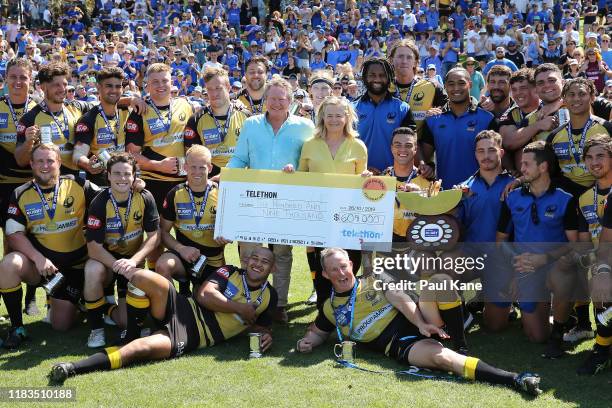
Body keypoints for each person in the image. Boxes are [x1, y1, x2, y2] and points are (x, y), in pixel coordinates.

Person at [296, 248, 543, 397]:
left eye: (343, 267)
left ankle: (460, 342)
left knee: (439, 280)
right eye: (334, 270)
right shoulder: (329, 307)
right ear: (326, 274)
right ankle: (516, 379)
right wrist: (307, 342)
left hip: (420, 320)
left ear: (351, 265)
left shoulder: (373, 279)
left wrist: (421, 324)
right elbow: (318, 332)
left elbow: (400, 297)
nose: (341, 274)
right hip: (400, 344)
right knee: (443, 360)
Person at [49, 247, 278, 383]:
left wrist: (266, 335)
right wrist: (239, 308)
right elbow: (204, 295)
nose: (258, 264)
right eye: (255, 259)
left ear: (273, 269)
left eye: (265, 262)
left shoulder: (271, 296)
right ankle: (131, 331)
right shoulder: (229, 272)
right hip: (183, 307)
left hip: (193, 336)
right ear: (246, 261)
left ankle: (72, 367)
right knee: (145, 278)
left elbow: (261, 327)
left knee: (140, 350)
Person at [228, 76, 314, 323]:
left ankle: (279, 305)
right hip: (254, 199)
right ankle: (248, 301)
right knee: (249, 252)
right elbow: (239, 159)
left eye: (282, 98)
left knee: (282, 254)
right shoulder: (251, 124)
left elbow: (310, 163)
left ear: (291, 101)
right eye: (272, 98)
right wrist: (224, 177)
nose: (276, 103)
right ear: (265, 100)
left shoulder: (305, 127)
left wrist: (297, 170)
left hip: (287, 201)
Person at [0, 144, 100, 348]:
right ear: (31, 164)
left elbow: (111, 197)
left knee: (61, 325)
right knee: (9, 263)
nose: (45, 166)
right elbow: (13, 234)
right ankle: (17, 327)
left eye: (50, 161)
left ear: (59, 163)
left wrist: (136, 184)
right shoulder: (20, 193)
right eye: (40, 161)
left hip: (75, 266)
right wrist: (37, 258)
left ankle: (76, 300)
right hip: (42, 268)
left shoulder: (78, 184)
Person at [495, 141, 578, 344]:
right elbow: (500, 241)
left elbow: (574, 243)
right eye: (521, 164)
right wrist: (518, 263)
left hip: (554, 264)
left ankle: (561, 321)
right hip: (525, 267)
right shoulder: (512, 197)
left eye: (526, 164)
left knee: (564, 274)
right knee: (537, 337)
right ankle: (550, 314)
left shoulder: (565, 198)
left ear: (543, 167)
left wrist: (545, 258)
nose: (521, 169)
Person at [83, 152, 160, 348]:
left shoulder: (145, 197)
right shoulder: (99, 202)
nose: (122, 178)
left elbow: (154, 237)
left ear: (135, 176)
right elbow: (93, 248)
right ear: (108, 175)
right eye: (117, 173)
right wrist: (118, 266)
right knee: (92, 269)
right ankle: (96, 330)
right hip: (107, 263)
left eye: (127, 174)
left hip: (132, 262)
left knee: (127, 322)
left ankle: (107, 308)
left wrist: (133, 262)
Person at [297, 96, 367, 309]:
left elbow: (363, 187)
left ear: (347, 117)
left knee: (348, 267)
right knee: (324, 269)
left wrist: (366, 178)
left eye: (339, 115)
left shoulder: (358, 146)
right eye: (330, 115)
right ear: (322, 118)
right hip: (320, 218)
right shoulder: (310, 145)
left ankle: (349, 313)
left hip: (348, 219)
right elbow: (301, 179)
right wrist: (290, 174)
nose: (334, 120)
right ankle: (323, 314)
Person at [156, 145, 229, 296]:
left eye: (201, 167)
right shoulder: (175, 194)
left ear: (209, 168)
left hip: (213, 261)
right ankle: (174, 307)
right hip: (183, 257)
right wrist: (181, 249)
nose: (197, 172)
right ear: (185, 167)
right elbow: (163, 232)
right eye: (193, 167)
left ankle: (191, 291)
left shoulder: (222, 192)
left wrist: (227, 235)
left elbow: (232, 228)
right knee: (163, 265)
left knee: (203, 297)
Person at [0, 58, 39, 314]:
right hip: (3, 184)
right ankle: (7, 292)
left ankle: (31, 298)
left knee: (33, 238)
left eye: (23, 77)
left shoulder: (39, 108)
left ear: (31, 80)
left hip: (30, 184)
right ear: (5, 80)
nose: (18, 82)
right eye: (13, 77)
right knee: (8, 241)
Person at [421, 67, 495, 190]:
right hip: (445, 193)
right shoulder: (433, 120)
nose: (456, 88)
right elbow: (424, 156)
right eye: (451, 84)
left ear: (470, 84)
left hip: (479, 193)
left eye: (461, 83)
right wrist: (427, 166)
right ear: (445, 87)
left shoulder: (486, 118)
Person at [574, 135, 612, 374]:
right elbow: (597, 245)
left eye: (601, 156)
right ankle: (601, 347)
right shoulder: (585, 198)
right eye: (589, 157)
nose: (595, 162)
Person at [546, 78, 612, 197]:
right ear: (564, 100)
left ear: (592, 97)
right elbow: (551, 172)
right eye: (571, 94)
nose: (576, 98)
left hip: (603, 194)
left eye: (582, 94)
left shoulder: (608, 129)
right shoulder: (554, 136)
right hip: (566, 196)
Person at [183, 67, 250, 177]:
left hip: (239, 179)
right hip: (209, 182)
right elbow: (191, 157)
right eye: (210, 89)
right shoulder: (195, 120)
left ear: (228, 87)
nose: (214, 93)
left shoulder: (246, 116)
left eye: (218, 88)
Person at [353, 57, 415, 174]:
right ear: (365, 77)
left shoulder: (402, 108)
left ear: (389, 78)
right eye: (372, 75)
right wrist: (363, 168)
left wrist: (390, 171)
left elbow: (409, 146)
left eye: (382, 75)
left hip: (393, 178)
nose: (377, 79)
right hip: (359, 176)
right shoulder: (351, 108)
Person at [73, 67, 131, 186]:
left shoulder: (128, 112)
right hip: (101, 185)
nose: (114, 90)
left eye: (118, 86)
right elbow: (77, 155)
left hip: (126, 182)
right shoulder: (88, 119)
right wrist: (87, 164)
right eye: (109, 86)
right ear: (99, 88)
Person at [389, 40, 447, 143]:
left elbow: (452, 111)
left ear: (416, 62)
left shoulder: (432, 87)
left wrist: (438, 113)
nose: (404, 61)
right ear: (391, 60)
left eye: (409, 57)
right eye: (400, 56)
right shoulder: (385, 89)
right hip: (389, 151)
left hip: (421, 152)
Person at [381, 127, 431, 242]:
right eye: (398, 145)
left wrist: (421, 199)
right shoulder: (380, 181)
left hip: (417, 244)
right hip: (385, 243)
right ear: (392, 148)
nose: (403, 149)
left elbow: (433, 219)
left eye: (408, 145)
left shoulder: (428, 183)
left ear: (415, 149)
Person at [498, 68, 541, 173]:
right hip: (522, 177)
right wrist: (539, 125)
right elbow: (509, 142)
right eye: (514, 89)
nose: (518, 93)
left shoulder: (550, 108)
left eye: (523, 88)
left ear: (535, 88)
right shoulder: (510, 114)